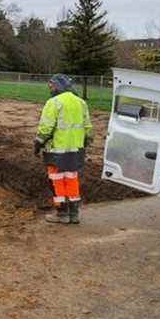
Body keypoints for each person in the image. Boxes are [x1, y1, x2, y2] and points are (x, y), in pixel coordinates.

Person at [34, 74, 93, 225]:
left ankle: (62, 213)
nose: (51, 89)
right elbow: (88, 128)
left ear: (58, 85)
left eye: (52, 86)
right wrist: (85, 142)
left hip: (56, 150)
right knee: (72, 179)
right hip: (75, 151)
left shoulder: (54, 102)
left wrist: (38, 143)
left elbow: (46, 128)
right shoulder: (81, 102)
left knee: (57, 180)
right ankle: (74, 214)